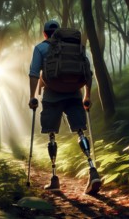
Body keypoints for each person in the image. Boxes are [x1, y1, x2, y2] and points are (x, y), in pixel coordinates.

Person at [28, 20, 101, 194]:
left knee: (52, 135)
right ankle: (93, 170)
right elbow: (88, 73)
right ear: (59, 32)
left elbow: (33, 73)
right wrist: (87, 96)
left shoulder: (41, 48)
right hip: (74, 93)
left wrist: (32, 97)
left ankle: (54, 179)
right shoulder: (75, 47)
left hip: (52, 95)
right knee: (80, 131)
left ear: (45, 34)